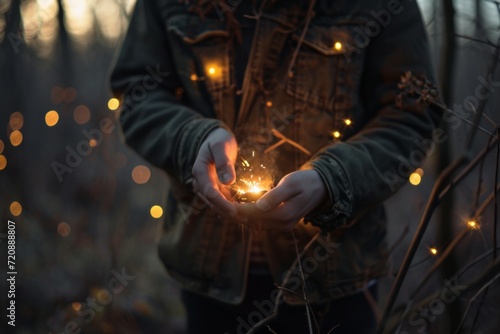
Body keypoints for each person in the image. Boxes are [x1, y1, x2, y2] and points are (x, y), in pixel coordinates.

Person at [110, 0, 440, 333]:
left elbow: (412, 115)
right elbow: (137, 94)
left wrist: (331, 180)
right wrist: (194, 138)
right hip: (209, 278)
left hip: (336, 277)